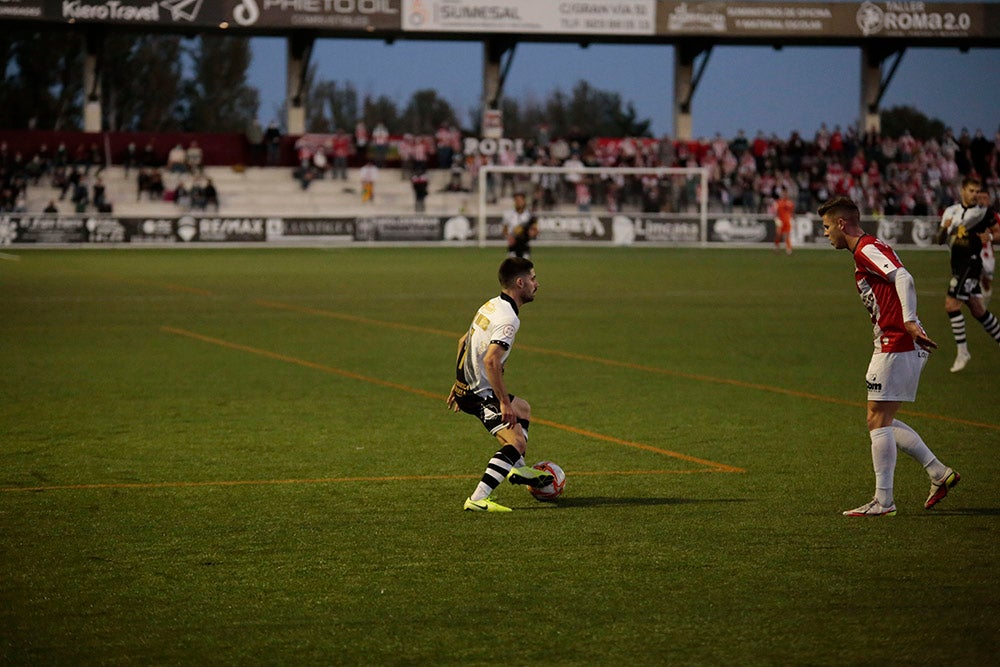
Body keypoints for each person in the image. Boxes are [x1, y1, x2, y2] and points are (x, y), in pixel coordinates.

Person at [819, 196, 959, 517]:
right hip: (896, 341)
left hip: (897, 341)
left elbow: (904, 277)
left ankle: (884, 502)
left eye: (827, 226)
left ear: (842, 224)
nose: (826, 233)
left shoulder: (867, 249)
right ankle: (938, 473)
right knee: (879, 419)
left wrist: (908, 320)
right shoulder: (867, 249)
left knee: (877, 420)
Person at [447, 257, 553, 512]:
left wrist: (459, 380)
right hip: (479, 394)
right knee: (516, 443)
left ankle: (519, 471)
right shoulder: (508, 319)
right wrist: (503, 403)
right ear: (520, 283)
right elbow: (491, 361)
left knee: (523, 409)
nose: (536, 284)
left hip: (469, 387)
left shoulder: (491, 305)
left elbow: (464, 341)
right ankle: (478, 498)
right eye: (533, 278)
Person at [935, 176, 1000, 372]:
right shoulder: (951, 211)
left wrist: (988, 236)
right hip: (956, 265)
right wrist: (945, 228)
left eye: (977, 192)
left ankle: (963, 352)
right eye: (971, 191)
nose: (974, 195)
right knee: (978, 310)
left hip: (971, 265)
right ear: (962, 190)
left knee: (951, 304)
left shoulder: (982, 212)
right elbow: (939, 240)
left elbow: (997, 232)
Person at [501, 192, 537, 258]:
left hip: (525, 246)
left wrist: (532, 233)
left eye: (520, 200)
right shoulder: (508, 214)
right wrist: (508, 237)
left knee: (524, 266)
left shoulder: (529, 215)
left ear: (524, 201)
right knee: (512, 266)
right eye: (516, 200)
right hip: (513, 247)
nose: (518, 202)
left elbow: (534, 230)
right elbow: (504, 230)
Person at [976, 189, 995, 307]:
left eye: (984, 198)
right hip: (975, 252)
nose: (982, 201)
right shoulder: (972, 215)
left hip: (987, 255)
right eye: (980, 198)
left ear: (989, 200)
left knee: (986, 281)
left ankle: (984, 300)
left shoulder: (994, 217)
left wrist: (990, 236)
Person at [774, 186, 794, 254]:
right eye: (783, 193)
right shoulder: (778, 202)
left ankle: (788, 249)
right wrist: (776, 219)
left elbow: (792, 212)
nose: (785, 195)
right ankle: (777, 247)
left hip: (787, 221)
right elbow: (775, 212)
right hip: (780, 220)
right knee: (778, 235)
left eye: (786, 193)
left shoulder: (790, 203)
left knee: (787, 236)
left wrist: (791, 218)